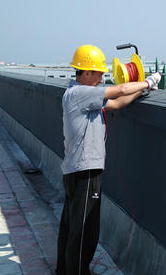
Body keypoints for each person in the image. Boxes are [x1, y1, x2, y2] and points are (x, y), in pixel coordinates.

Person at [56, 45, 160, 275]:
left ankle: (63, 270)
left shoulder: (81, 96)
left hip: (76, 169)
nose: (102, 77)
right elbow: (120, 88)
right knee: (85, 229)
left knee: (71, 226)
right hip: (85, 171)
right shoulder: (81, 93)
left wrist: (141, 92)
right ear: (86, 73)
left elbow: (119, 102)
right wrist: (149, 81)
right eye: (99, 73)